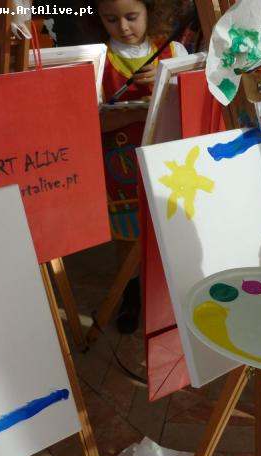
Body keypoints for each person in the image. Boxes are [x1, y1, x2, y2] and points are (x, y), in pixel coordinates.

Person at [95, 0, 189, 333]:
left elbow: (190, 101)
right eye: (111, 19)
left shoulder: (174, 51)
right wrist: (139, 110)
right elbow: (93, 122)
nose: (123, 27)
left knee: (172, 232)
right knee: (127, 238)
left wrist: (167, 80)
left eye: (132, 17)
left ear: (151, 10)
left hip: (170, 164)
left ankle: (170, 297)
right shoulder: (99, 59)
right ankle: (130, 294)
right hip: (122, 169)